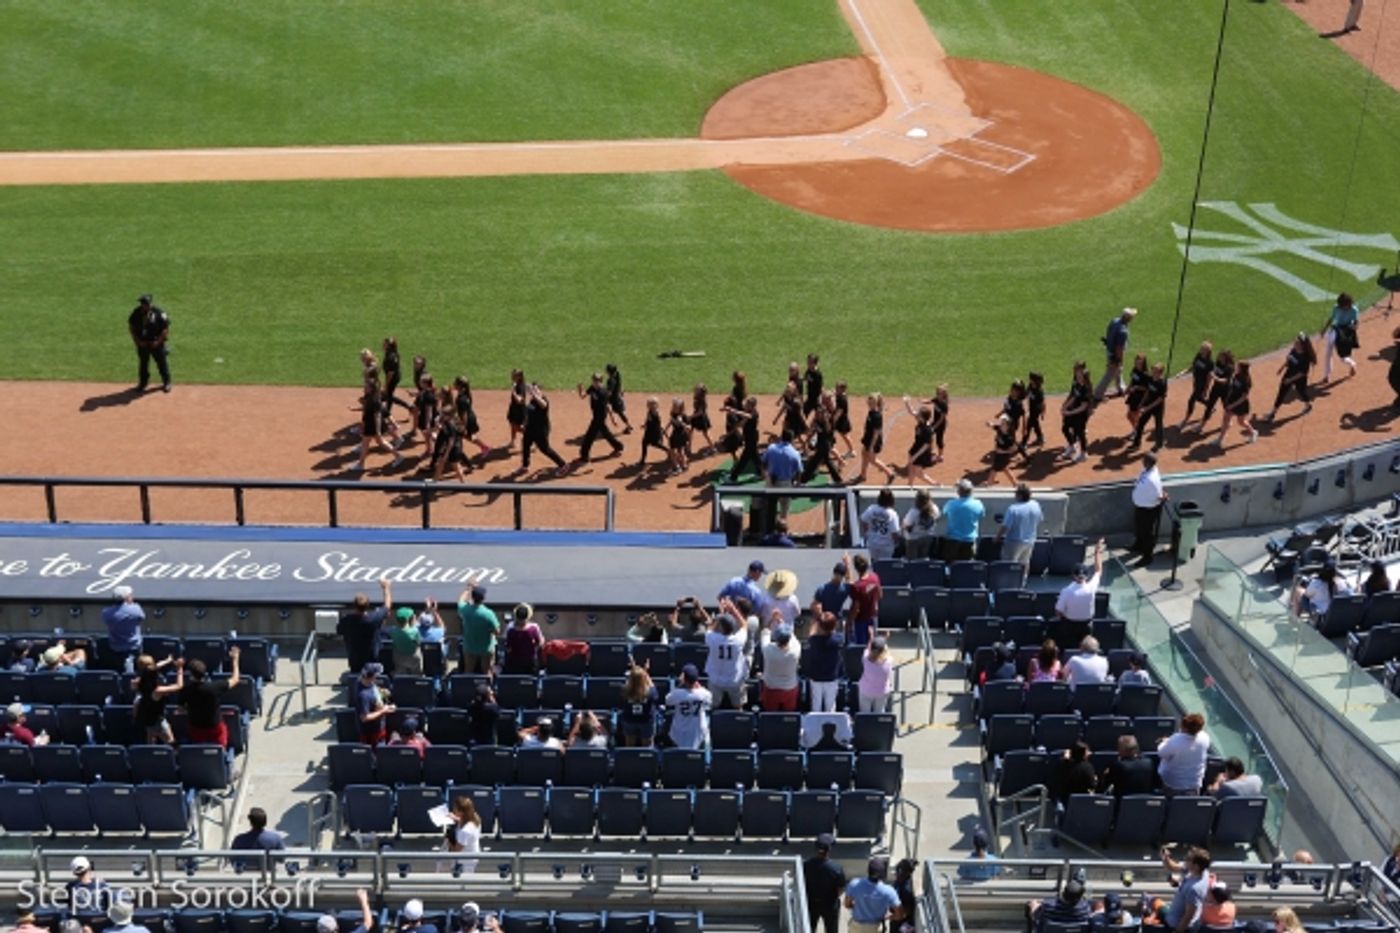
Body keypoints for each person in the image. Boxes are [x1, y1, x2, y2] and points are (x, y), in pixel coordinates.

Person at [180, 647, 240, 747]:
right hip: (215, 728)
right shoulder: (215, 687)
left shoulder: (186, 690)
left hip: (196, 729)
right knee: (220, 745)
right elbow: (235, 679)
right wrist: (235, 659)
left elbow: (181, 708)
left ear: (191, 675)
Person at [340, 579, 393, 674]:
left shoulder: (347, 620)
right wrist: (386, 588)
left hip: (355, 660)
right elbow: (387, 606)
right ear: (368, 605)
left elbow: (339, 630)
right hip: (372, 660)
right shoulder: (373, 619)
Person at [516, 382, 569, 477]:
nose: (534, 391)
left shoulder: (544, 400)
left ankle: (563, 465)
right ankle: (524, 466)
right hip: (530, 428)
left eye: (536, 389)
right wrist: (524, 424)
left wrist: (533, 394)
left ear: (541, 391)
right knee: (525, 444)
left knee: (545, 449)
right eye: (533, 389)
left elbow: (543, 405)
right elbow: (529, 413)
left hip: (541, 430)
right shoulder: (532, 400)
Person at [1158, 847, 1212, 932]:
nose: (1185, 860)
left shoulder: (1194, 889)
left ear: (1196, 866)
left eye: (1188, 859)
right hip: (1174, 913)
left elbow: (1188, 915)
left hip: (1176, 924)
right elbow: (1173, 867)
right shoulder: (1200, 871)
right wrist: (1166, 858)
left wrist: (1178, 931)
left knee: (1149, 902)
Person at [1264, 333, 1316, 421]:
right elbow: (1289, 359)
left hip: (1299, 379)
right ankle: (1272, 413)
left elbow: (1302, 373)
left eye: (1297, 341)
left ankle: (1308, 405)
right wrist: (1282, 368)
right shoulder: (1294, 350)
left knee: (1301, 392)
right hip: (1288, 375)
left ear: (1301, 344)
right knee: (1281, 393)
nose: (1294, 342)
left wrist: (1290, 380)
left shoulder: (1305, 358)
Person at [704, 611, 749, 710]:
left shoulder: (712, 638)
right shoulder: (738, 640)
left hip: (716, 679)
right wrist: (733, 609)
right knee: (738, 706)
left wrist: (716, 620)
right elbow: (744, 624)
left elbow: (710, 628)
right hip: (734, 679)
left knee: (713, 706)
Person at [576, 372, 625, 464]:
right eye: (593, 380)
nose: (594, 382)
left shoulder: (603, 392)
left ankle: (584, 456)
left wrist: (613, 418)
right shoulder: (592, 388)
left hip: (600, 416)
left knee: (589, 436)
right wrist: (580, 389)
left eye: (596, 381)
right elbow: (583, 396)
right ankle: (618, 446)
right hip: (595, 415)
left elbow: (607, 406)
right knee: (605, 433)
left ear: (601, 381)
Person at [134, 654, 183, 744]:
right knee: (171, 742)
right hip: (157, 720)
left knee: (150, 737)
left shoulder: (138, 682)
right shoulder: (157, 691)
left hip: (146, 716)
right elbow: (179, 686)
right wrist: (180, 669)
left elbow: (155, 667)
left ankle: (151, 750)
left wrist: (168, 660)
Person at [127, 294, 172, 393]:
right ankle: (143, 383)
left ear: (150, 304)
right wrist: (138, 342)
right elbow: (131, 327)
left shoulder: (159, 313)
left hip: (156, 344)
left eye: (145, 304)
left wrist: (158, 342)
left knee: (162, 363)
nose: (143, 306)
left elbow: (165, 329)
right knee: (143, 364)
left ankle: (167, 382)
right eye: (142, 304)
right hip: (143, 344)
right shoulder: (136, 313)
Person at [1157, 712, 1210, 795]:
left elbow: (1161, 753)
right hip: (1194, 785)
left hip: (1173, 785)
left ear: (1185, 728)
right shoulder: (1205, 738)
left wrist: (1164, 743)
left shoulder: (1175, 740)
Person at [998, 484, 1043, 581]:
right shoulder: (1036, 505)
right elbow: (1039, 519)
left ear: (1020, 496)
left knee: (1009, 565)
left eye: (1016, 493)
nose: (1015, 495)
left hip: (1014, 541)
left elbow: (1005, 526)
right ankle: (1022, 583)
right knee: (1025, 563)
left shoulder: (1013, 509)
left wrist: (997, 537)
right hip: (1030, 540)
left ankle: (1009, 583)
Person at [1130, 452, 1168, 568]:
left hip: (1149, 509)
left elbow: (1159, 495)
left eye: (1144, 460)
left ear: (1147, 463)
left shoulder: (1152, 480)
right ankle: (1138, 545)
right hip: (1141, 506)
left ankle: (1147, 557)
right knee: (1139, 528)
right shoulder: (1148, 470)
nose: (1142, 462)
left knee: (1147, 533)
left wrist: (1163, 496)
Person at [1055, 539, 1105, 625]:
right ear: (1087, 576)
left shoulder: (1066, 591)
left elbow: (1058, 611)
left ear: (1073, 575)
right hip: (1087, 625)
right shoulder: (1091, 588)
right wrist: (1097, 552)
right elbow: (1098, 570)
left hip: (1068, 624)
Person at [845, 857, 902, 933]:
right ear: (883, 874)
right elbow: (899, 914)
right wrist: (888, 917)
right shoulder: (889, 891)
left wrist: (858, 907)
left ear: (868, 870)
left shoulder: (854, 884)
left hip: (856, 927)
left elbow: (847, 904)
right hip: (875, 928)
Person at [803, 834, 847, 933]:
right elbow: (840, 890)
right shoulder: (836, 869)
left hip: (810, 903)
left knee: (809, 929)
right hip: (830, 905)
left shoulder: (805, 866)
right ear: (829, 849)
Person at [665, 664, 712, 749]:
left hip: (679, 732)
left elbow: (667, 700)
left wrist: (680, 684)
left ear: (685, 680)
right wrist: (699, 687)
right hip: (697, 732)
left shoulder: (677, 694)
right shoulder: (703, 694)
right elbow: (709, 699)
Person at [807, 612, 846, 713]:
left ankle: (815, 722)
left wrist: (814, 624)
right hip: (832, 677)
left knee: (816, 703)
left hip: (816, 677)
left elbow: (811, 634)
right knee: (830, 704)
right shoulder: (838, 640)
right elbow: (839, 634)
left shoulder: (814, 640)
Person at [1095, 307, 1137, 400]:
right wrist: (1120, 360)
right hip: (1115, 355)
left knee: (1118, 372)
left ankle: (1121, 388)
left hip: (1109, 351)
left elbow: (1108, 333)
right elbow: (1119, 348)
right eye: (1132, 316)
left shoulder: (1114, 321)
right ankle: (1097, 394)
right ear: (1128, 318)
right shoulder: (1123, 331)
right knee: (1110, 374)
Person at [1214, 359, 1259, 447]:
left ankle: (1253, 432)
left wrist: (1232, 405)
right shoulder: (1237, 375)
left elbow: (1244, 397)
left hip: (1240, 404)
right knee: (1225, 419)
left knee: (1241, 422)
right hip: (1232, 400)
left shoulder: (1246, 381)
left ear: (1242, 368)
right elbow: (1232, 387)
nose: (1236, 367)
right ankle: (1220, 440)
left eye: (1238, 366)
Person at [456, 585, 498, 675]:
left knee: (468, 671)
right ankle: (488, 684)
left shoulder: (465, 610)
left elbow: (461, 600)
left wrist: (468, 589)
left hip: (469, 647)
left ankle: (468, 684)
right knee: (487, 672)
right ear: (484, 598)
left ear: (472, 597)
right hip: (486, 649)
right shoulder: (488, 614)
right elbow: (497, 631)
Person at [101, 584, 145, 671]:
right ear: (126, 598)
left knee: (119, 668)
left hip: (115, 646)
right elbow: (141, 618)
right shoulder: (135, 609)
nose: (132, 597)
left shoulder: (106, 612)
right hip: (134, 646)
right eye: (130, 595)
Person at [856, 393, 897, 484]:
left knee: (872, 459)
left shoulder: (876, 416)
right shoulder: (871, 412)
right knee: (864, 454)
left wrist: (872, 446)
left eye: (871, 403)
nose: (869, 404)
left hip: (873, 441)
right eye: (869, 402)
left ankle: (890, 473)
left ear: (875, 403)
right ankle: (862, 475)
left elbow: (876, 433)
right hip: (868, 438)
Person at [762, 430, 804, 519]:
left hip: (771, 481)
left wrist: (765, 474)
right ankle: (782, 524)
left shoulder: (771, 448)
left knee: (769, 505)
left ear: (782, 437)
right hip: (785, 484)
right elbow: (799, 471)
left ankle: (769, 524)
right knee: (784, 508)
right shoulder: (795, 453)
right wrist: (798, 484)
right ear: (792, 439)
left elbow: (763, 462)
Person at [760, 623, 802, 711]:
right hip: (790, 688)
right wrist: (783, 623)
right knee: (788, 716)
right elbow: (792, 637)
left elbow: (765, 632)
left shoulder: (768, 649)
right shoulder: (796, 649)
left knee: (770, 715)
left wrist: (773, 619)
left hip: (771, 688)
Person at [1129, 362, 1169, 452]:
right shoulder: (1151, 379)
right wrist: (1141, 403)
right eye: (1153, 370)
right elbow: (1148, 391)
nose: (1153, 373)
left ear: (1160, 373)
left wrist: (1147, 408)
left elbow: (1159, 399)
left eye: (1155, 371)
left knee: (1158, 425)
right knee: (1140, 423)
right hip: (1148, 404)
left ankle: (1159, 444)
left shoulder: (1162, 384)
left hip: (1158, 408)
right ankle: (1136, 444)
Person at [943, 479, 985, 562]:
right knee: (966, 566)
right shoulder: (978, 504)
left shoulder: (951, 503)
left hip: (953, 540)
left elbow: (945, 513)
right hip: (970, 540)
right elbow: (981, 515)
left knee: (951, 564)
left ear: (958, 492)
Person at [1027, 879, 1092, 933]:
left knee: (1032, 904)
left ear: (1064, 893)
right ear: (1079, 898)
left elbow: (1035, 915)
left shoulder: (1048, 906)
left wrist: (1034, 905)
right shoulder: (1085, 909)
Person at [1059, 362, 1093, 464]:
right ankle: (1072, 446)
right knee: (1065, 428)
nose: (1077, 376)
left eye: (1079, 375)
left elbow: (1084, 406)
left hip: (1081, 413)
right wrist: (1065, 406)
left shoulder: (1086, 388)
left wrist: (1070, 413)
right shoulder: (1076, 384)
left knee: (1080, 432)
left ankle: (1084, 453)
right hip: (1074, 410)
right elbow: (1073, 397)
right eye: (1077, 375)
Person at [1322, 292, 1360, 381]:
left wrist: (1354, 327)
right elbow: (1331, 318)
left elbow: (1356, 322)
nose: (1344, 308)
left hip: (1346, 332)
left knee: (1343, 356)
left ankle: (1352, 364)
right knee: (1328, 353)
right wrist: (1324, 329)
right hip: (1335, 330)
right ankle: (1327, 375)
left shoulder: (1354, 310)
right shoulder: (1336, 308)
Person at [619, 666, 660, 747]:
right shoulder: (650, 692)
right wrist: (647, 675)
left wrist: (634, 675)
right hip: (646, 721)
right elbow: (655, 695)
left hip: (629, 720)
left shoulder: (624, 690)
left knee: (629, 746)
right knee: (647, 748)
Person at [355, 662, 394, 745]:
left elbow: (372, 688)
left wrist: (381, 692)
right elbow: (365, 718)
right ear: (372, 677)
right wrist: (384, 710)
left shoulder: (362, 681)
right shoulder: (364, 696)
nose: (378, 676)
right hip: (373, 733)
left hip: (379, 727)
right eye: (376, 675)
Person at [902, 399, 938, 487]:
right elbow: (911, 412)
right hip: (916, 447)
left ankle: (935, 485)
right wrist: (907, 402)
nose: (916, 414)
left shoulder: (927, 430)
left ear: (922, 417)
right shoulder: (921, 421)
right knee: (911, 467)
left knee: (918, 473)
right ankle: (910, 485)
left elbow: (926, 446)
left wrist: (915, 456)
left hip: (921, 452)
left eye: (918, 414)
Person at [848, 554, 882, 647]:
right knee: (873, 646)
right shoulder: (875, 578)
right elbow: (880, 595)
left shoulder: (857, 587)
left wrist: (849, 622)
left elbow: (856, 608)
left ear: (856, 569)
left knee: (861, 647)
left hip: (861, 621)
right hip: (873, 618)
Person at [1179, 342, 1215, 429]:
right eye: (1201, 348)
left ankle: (1185, 420)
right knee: (1199, 398)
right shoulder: (1198, 356)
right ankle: (1210, 406)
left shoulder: (1210, 363)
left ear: (1208, 351)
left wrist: (1206, 389)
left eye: (1203, 349)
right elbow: (1193, 366)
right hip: (1196, 381)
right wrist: (1184, 372)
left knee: (1191, 400)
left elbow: (1209, 377)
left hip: (1202, 384)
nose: (1201, 350)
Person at [861, 488, 902, 561]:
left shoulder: (871, 509)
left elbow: (863, 520)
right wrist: (897, 543)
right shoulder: (892, 514)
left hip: (872, 544)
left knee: (872, 564)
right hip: (886, 546)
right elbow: (894, 533)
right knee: (884, 565)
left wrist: (866, 534)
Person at [502, 603, 544, 675]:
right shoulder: (534, 628)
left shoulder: (511, 630)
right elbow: (540, 643)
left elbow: (507, 647)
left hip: (513, 664)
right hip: (530, 663)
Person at [446, 796, 482, 874]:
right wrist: (455, 818)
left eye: (455, 809)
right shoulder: (475, 817)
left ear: (461, 812)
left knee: (462, 880)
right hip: (473, 855)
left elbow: (456, 851)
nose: (453, 810)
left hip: (465, 862)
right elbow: (464, 820)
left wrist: (448, 839)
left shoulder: (465, 831)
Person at [858, 636, 894, 713]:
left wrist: (871, 639)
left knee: (865, 713)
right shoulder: (889, 661)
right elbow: (887, 653)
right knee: (879, 712)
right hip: (882, 692)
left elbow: (867, 650)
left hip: (866, 691)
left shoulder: (865, 658)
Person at [903, 489, 941, 560]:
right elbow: (937, 519)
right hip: (928, 537)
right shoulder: (935, 509)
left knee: (912, 562)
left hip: (913, 540)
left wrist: (904, 526)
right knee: (923, 560)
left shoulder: (914, 512)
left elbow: (907, 526)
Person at [388, 607, 423, 675]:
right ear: (408, 619)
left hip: (399, 659)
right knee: (417, 674)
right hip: (414, 660)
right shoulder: (415, 631)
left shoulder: (393, 631)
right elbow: (419, 643)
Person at [988, 414, 1019, 486]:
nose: (1001, 424)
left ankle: (989, 484)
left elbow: (1014, 449)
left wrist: (1002, 451)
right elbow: (995, 427)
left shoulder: (1009, 438)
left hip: (1003, 456)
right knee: (1005, 469)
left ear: (1008, 426)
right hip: (998, 455)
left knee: (993, 470)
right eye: (1001, 422)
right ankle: (1016, 484)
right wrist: (990, 424)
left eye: (1003, 423)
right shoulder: (1000, 429)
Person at [891, 859, 919, 933]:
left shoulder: (907, 890)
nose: (896, 873)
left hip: (901, 924)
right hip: (895, 919)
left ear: (906, 873)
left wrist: (892, 916)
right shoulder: (899, 881)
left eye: (899, 871)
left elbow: (906, 912)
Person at [638, 397, 666, 467]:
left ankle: (668, 450)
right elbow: (647, 419)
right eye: (649, 404)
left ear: (656, 405)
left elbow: (659, 424)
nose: (650, 406)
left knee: (656, 444)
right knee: (644, 444)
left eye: (652, 404)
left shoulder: (656, 414)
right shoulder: (649, 412)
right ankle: (642, 460)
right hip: (648, 432)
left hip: (654, 433)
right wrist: (644, 425)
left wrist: (661, 432)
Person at [1024, 372, 1047, 449]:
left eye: (1030, 378)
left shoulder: (1039, 391)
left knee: (1029, 425)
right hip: (1031, 409)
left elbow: (1042, 403)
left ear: (1034, 380)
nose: (1029, 380)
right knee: (1035, 423)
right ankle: (1040, 437)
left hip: (1036, 410)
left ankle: (1024, 441)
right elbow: (1026, 393)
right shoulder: (1030, 386)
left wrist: (1043, 412)